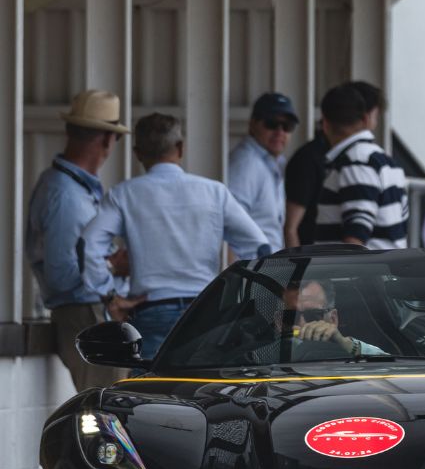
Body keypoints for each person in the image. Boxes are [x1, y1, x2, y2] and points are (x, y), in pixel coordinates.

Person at [80, 113, 270, 361]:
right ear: (180, 148)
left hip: (152, 313)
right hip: (206, 312)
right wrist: (243, 302)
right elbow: (260, 248)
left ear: (138, 154)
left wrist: (109, 296)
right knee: (205, 384)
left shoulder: (124, 194)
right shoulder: (214, 192)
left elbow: (88, 245)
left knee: (154, 384)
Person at [25, 90, 134, 392]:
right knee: (105, 406)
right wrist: (112, 265)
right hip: (85, 313)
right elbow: (62, 276)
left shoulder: (65, 187)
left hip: (87, 313)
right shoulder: (67, 197)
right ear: (107, 140)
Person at [316, 81, 408, 249]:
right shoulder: (386, 162)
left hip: (363, 267)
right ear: (365, 119)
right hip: (388, 264)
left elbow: (356, 236)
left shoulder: (355, 162)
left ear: (325, 124)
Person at [227, 91, 298, 252]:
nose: (280, 132)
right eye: (272, 124)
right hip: (250, 265)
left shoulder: (276, 162)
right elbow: (230, 224)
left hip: (268, 264)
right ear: (253, 124)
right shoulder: (245, 164)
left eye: (287, 126)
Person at [284, 127, 329, 248]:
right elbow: (291, 229)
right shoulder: (308, 158)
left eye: (287, 126)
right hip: (311, 253)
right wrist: (296, 259)